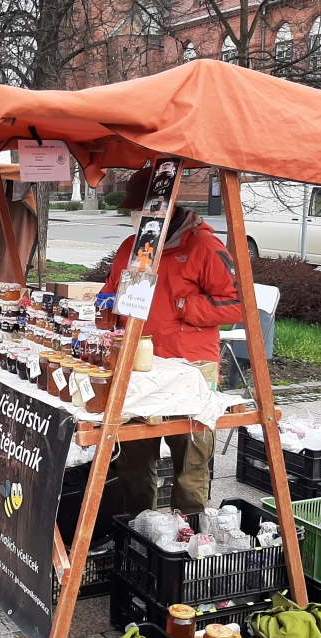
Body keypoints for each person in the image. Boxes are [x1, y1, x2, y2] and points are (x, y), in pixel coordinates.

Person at [101, 167, 243, 515]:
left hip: (189, 367)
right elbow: (111, 289)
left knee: (191, 460)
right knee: (133, 458)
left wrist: (184, 306)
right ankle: (137, 527)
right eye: (133, 212)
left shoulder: (205, 246)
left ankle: (189, 533)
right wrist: (104, 309)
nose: (135, 219)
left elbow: (236, 306)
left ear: (166, 210)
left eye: (141, 211)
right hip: (136, 365)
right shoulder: (129, 247)